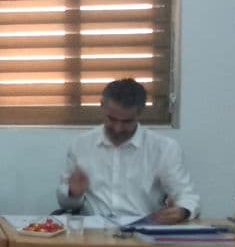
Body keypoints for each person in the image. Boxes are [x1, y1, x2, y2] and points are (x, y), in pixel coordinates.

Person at [57, 78, 199, 224]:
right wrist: (73, 193)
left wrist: (182, 211)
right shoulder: (80, 145)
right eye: (112, 119)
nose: (118, 128)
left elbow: (186, 196)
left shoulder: (164, 148)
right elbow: (66, 205)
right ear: (102, 106)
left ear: (140, 112)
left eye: (127, 122)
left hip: (144, 229)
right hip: (93, 230)